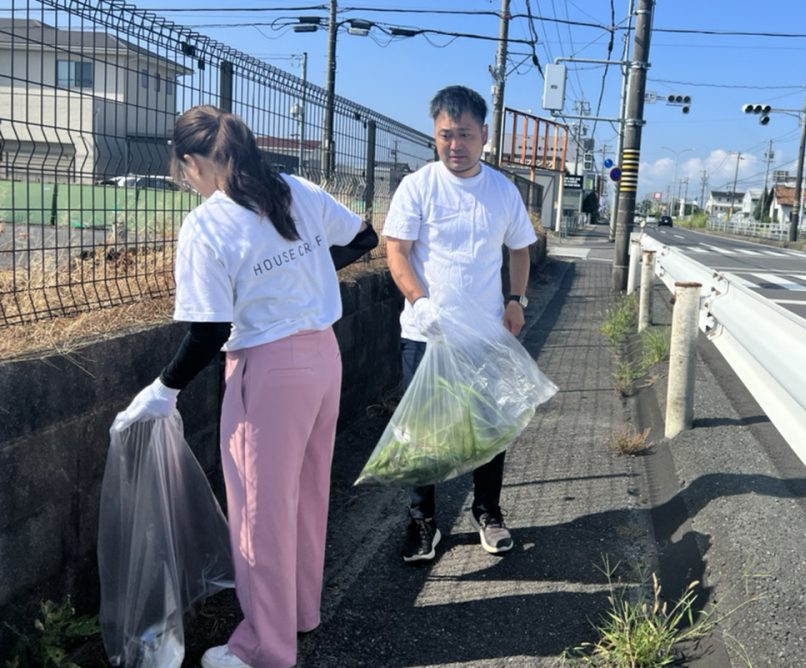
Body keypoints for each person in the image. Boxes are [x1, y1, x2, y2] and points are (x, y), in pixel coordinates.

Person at [113, 105, 375, 668]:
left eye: (185, 169)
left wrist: (163, 388)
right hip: (324, 357)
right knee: (306, 498)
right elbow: (366, 235)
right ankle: (299, 615)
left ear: (192, 163)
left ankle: (265, 648)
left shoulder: (208, 222)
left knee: (261, 515)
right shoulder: (295, 189)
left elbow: (207, 330)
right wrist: (310, 271)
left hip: (269, 370)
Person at [383, 85, 537, 563]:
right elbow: (396, 251)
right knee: (422, 431)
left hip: (486, 331)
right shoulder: (418, 186)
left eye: (465, 134)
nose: (455, 145)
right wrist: (419, 300)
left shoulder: (502, 190)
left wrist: (516, 300)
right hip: (426, 333)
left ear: (484, 135)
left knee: (490, 425)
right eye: (446, 135)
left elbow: (519, 248)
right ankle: (422, 521)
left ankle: (487, 512)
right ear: (435, 134)